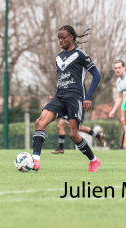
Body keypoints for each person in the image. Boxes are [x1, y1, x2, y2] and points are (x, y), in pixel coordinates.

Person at [32, 25, 102, 172]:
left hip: (75, 98)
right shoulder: (58, 58)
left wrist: (88, 97)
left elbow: (96, 75)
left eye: (63, 37)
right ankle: (35, 160)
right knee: (40, 122)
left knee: (73, 135)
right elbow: (61, 80)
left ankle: (94, 160)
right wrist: (55, 98)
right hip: (60, 97)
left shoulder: (81, 54)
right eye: (58, 38)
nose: (60, 40)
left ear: (71, 37)